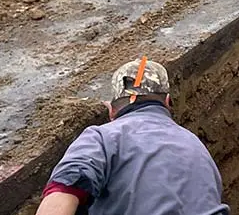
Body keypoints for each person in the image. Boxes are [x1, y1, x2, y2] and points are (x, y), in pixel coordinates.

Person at [35, 57, 229, 215]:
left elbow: (63, 192)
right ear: (168, 102)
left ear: (111, 111)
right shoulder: (196, 145)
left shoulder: (101, 138)